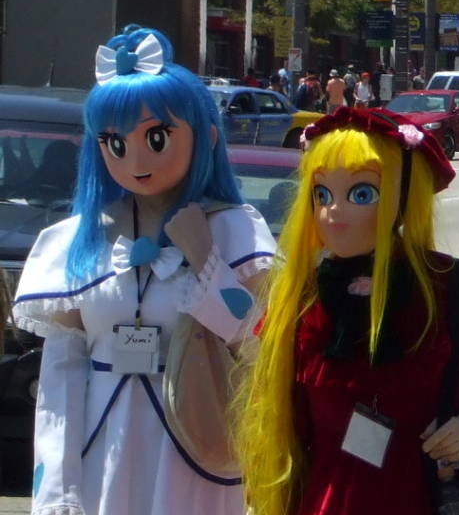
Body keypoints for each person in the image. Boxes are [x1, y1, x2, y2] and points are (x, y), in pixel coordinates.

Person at [13, 25, 276, 514]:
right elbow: (61, 378)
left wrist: (205, 258)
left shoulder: (235, 230)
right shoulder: (76, 239)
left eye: (156, 137)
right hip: (101, 452)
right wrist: (56, 493)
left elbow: (258, 343)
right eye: (114, 142)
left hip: (196, 442)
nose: (134, 159)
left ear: (207, 137)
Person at [235, 107, 459, 515]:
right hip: (327, 499)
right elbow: (279, 415)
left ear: (404, 198)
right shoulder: (304, 295)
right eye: (322, 194)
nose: (334, 211)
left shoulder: (456, 289)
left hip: (423, 495)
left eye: (361, 193)